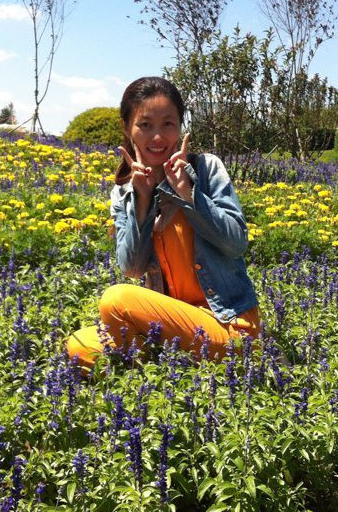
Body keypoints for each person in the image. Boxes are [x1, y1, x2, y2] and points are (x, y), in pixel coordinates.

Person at [66, 76, 260, 371]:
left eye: (168, 124)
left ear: (180, 125)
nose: (157, 137)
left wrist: (189, 195)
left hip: (226, 325)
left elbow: (236, 243)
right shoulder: (123, 192)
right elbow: (132, 267)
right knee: (80, 346)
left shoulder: (206, 169)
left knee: (116, 299)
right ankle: (168, 363)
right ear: (126, 127)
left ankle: (161, 363)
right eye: (145, 125)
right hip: (167, 327)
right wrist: (142, 200)